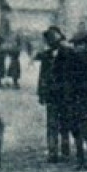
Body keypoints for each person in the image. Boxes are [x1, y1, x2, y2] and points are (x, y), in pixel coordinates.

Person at [58, 28, 87, 170]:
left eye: (79, 45)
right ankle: (84, 158)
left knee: (83, 128)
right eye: (75, 45)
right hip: (74, 99)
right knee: (76, 129)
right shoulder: (75, 57)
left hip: (84, 99)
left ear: (85, 45)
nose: (76, 48)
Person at [35, 26, 66, 162]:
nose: (52, 44)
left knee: (65, 123)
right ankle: (53, 152)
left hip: (65, 94)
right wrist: (41, 93)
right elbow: (42, 76)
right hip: (51, 95)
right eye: (50, 41)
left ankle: (65, 150)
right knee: (52, 123)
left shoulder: (67, 54)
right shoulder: (46, 56)